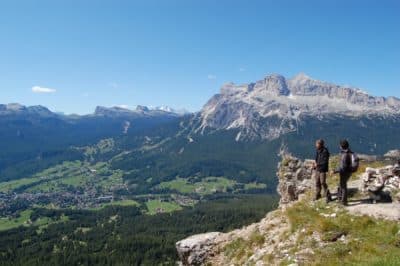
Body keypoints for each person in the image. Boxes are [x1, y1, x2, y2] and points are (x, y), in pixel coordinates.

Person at [332, 139, 352, 205]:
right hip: (348, 171)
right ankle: (340, 198)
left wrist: (334, 171)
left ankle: (344, 201)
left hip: (344, 172)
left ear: (341, 146)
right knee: (342, 185)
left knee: (343, 186)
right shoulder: (348, 152)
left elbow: (342, 167)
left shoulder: (344, 154)